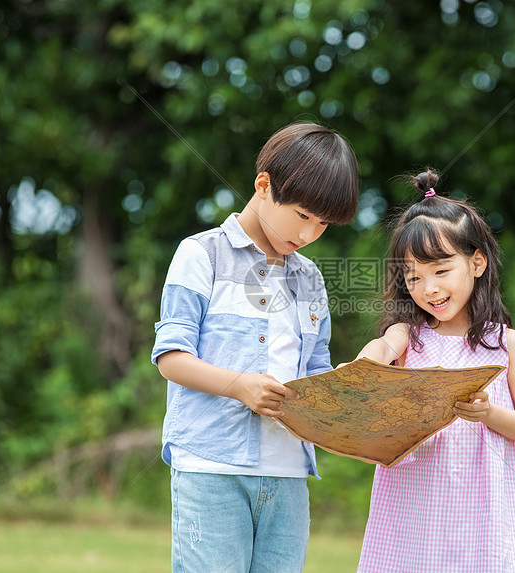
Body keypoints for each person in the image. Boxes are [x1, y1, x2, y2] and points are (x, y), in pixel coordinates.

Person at [151, 122, 359, 573]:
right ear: (263, 185)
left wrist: (351, 390)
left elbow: (315, 368)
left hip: (289, 474)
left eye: (323, 223)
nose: (309, 234)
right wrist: (239, 386)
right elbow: (171, 358)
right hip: (211, 467)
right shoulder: (200, 254)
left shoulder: (310, 278)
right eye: (303, 216)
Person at [354, 169, 515, 573]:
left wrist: (489, 414)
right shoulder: (410, 335)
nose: (429, 289)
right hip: (416, 506)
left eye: (441, 271)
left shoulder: (505, 344)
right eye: (414, 278)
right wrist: (363, 368)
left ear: (476, 263)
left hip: (487, 511)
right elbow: (384, 347)